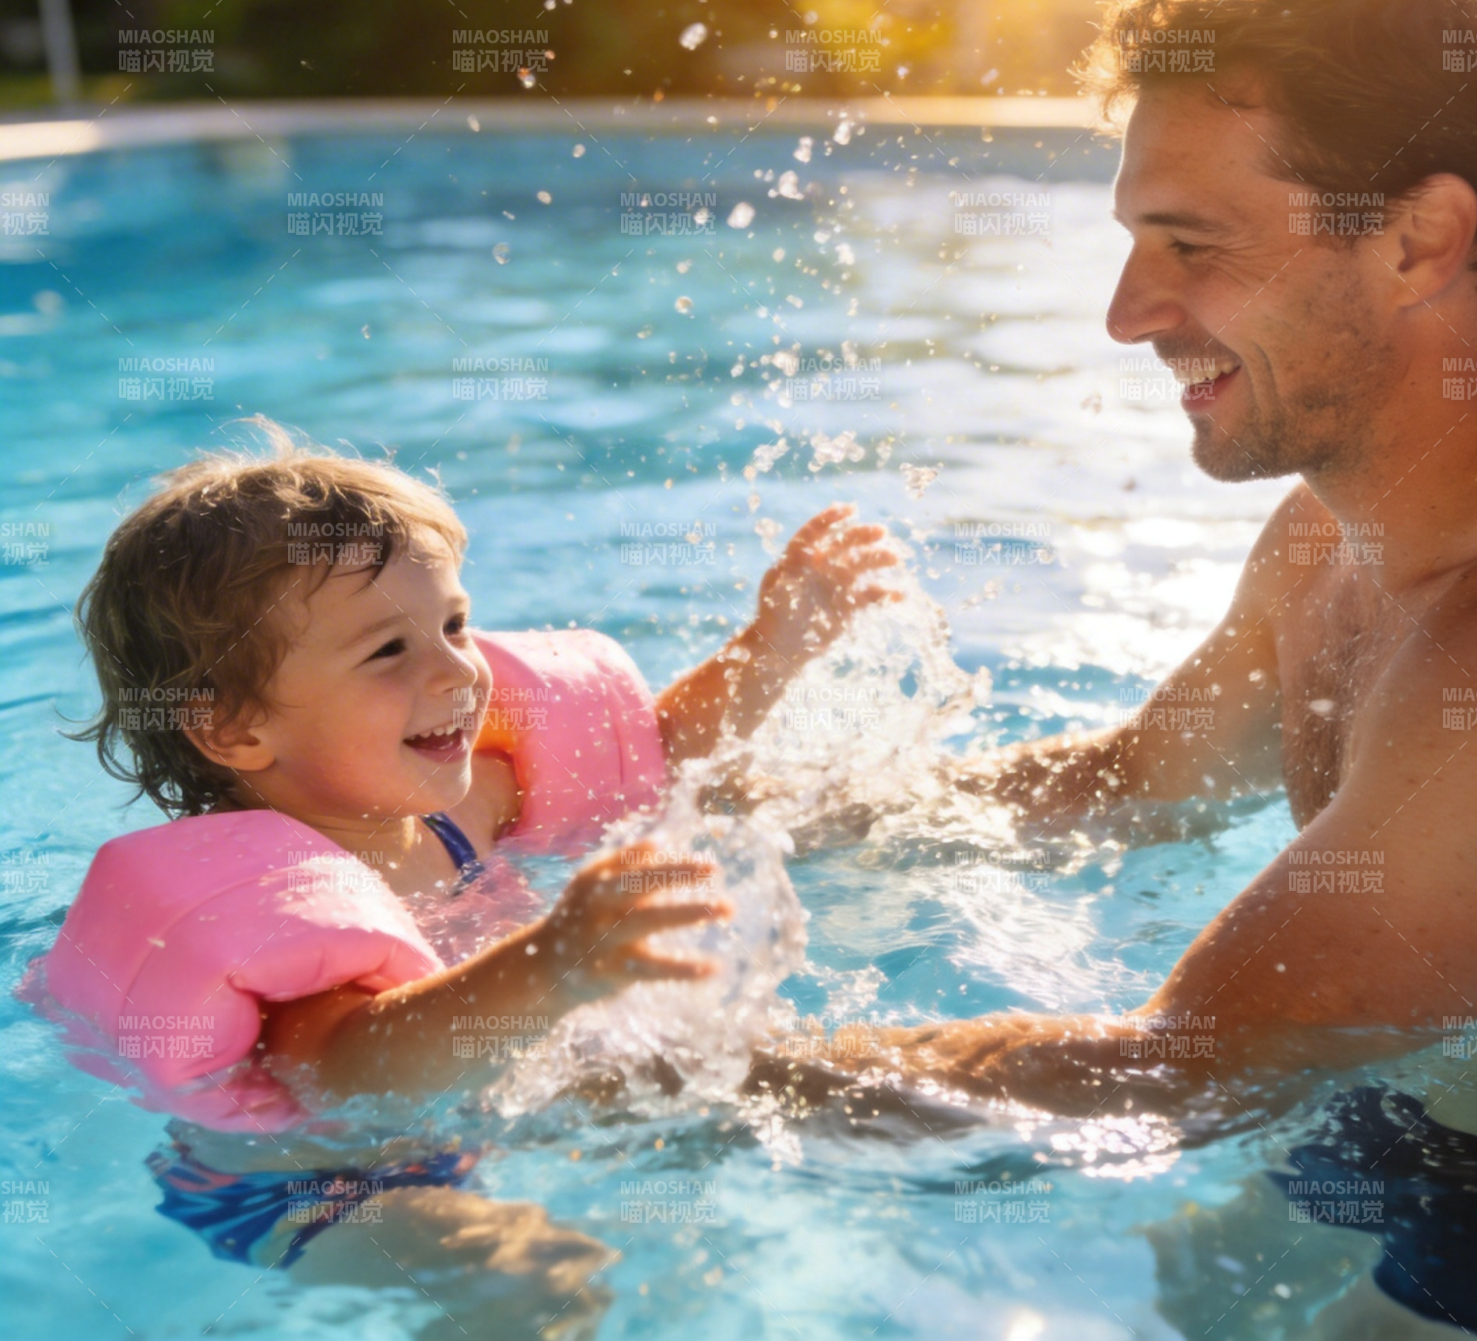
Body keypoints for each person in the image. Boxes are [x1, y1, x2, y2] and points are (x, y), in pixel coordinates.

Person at [747, 0, 1477, 1338]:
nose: (1128, 312)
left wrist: (637, 1071)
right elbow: (1135, 781)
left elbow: (1181, 1072)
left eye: (1189, 243)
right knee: (1174, 1301)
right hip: (1406, 1115)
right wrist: (780, 818)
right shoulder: (1332, 534)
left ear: (1420, 241)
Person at [43, 418, 897, 1331]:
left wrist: (774, 646)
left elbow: (660, 752)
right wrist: (553, 964)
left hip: (486, 1110)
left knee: (856, 1080)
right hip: (318, 1191)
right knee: (538, 1274)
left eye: (453, 623)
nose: (457, 668)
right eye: (387, 651)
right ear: (236, 730)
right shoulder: (276, 906)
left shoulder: (459, 812)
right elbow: (344, 1070)